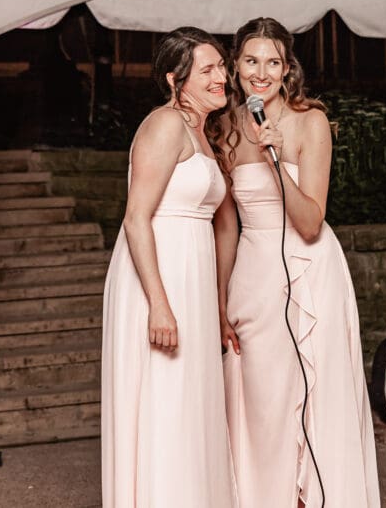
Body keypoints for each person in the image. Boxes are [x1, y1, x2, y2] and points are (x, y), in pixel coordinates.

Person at [212, 17, 381, 508]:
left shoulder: (311, 123)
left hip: (310, 272)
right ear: (236, 66)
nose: (260, 72)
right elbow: (227, 226)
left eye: (273, 62)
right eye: (250, 60)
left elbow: (310, 222)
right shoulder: (223, 127)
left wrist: (275, 159)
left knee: (316, 395)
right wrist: (219, 300)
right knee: (262, 404)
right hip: (254, 277)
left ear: (288, 70)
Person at [101, 26, 238, 507]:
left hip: (192, 276)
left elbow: (224, 224)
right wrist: (159, 304)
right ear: (175, 78)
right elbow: (137, 217)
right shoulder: (164, 125)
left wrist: (218, 306)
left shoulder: (203, 130)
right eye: (208, 69)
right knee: (165, 403)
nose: (221, 76)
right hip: (157, 277)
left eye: (221, 65)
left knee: (190, 402)